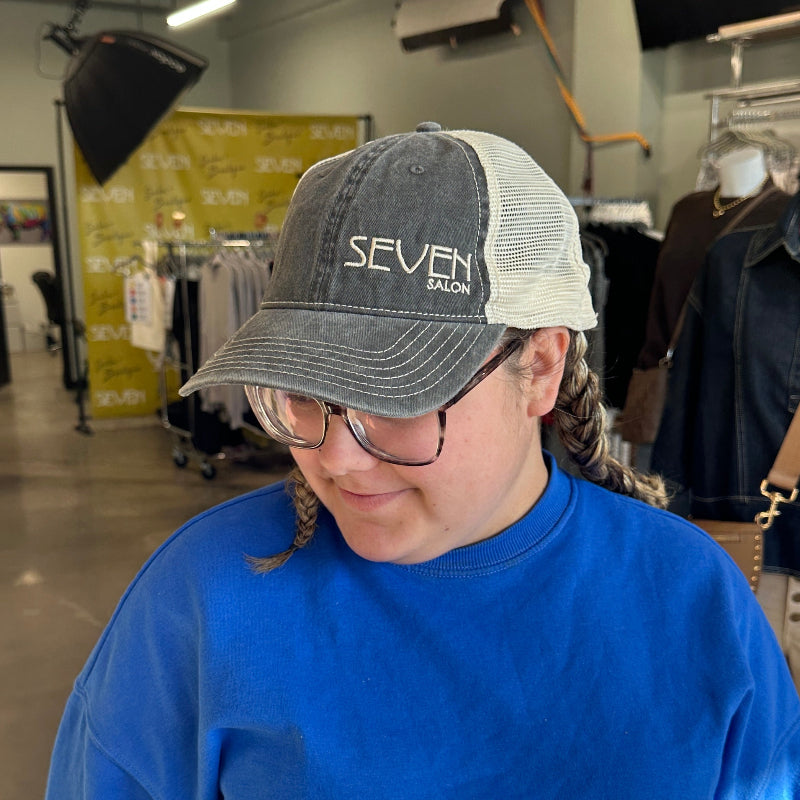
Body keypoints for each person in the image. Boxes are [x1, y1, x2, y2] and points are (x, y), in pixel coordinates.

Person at [46, 123, 800, 798]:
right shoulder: (203, 594)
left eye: (399, 396)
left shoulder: (695, 607)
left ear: (538, 366)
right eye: (302, 394)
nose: (336, 457)